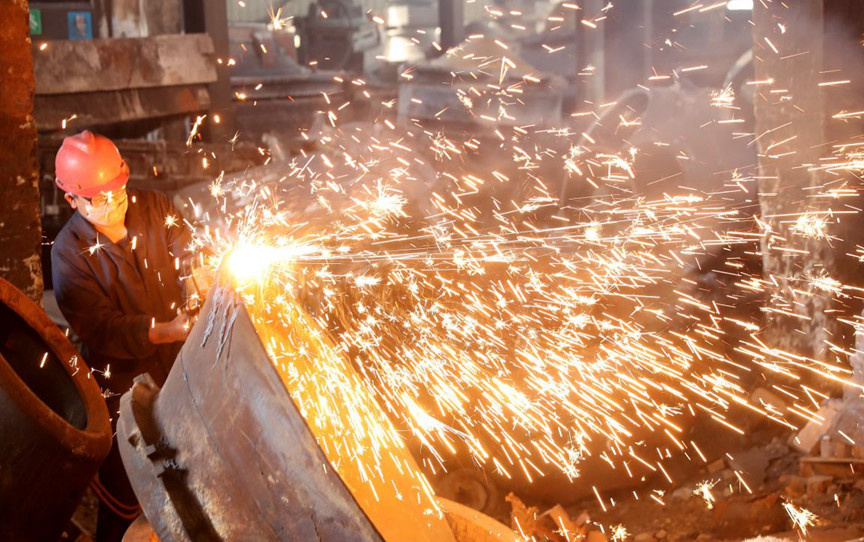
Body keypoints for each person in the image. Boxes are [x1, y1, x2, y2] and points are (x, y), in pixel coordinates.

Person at [51, 131, 193, 541]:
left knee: (190, 475)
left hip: (180, 367)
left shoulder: (156, 207)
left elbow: (188, 254)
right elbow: (102, 328)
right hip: (123, 389)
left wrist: (200, 278)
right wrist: (161, 331)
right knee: (131, 496)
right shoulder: (67, 254)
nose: (114, 203)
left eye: (118, 190)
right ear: (73, 200)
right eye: (99, 198)